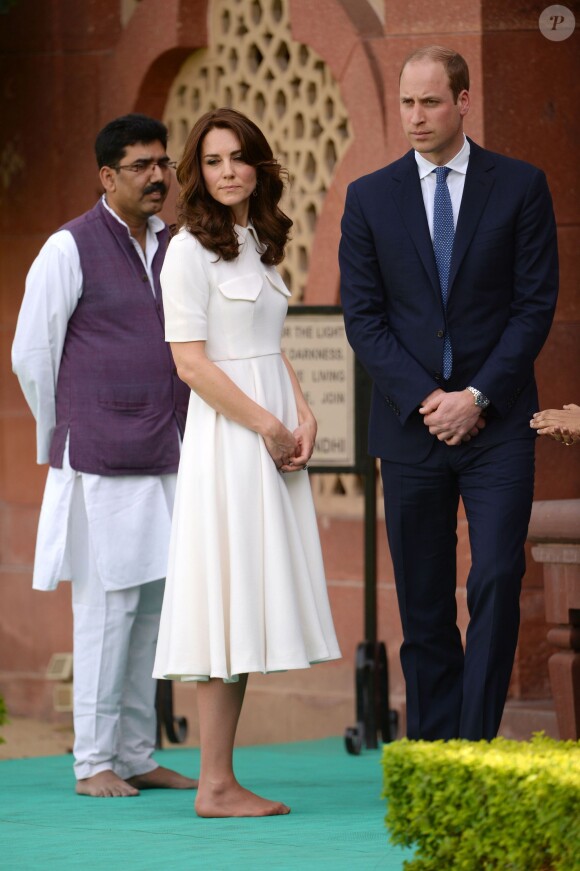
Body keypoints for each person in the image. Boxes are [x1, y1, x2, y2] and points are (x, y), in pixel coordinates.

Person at [339, 46, 559, 741]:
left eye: (430, 102)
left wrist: (478, 396)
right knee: (424, 599)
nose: (416, 116)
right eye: (407, 102)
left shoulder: (520, 185)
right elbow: (363, 318)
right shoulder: (369, 196)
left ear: (463, 101)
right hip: (411, 427)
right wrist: (430, 400)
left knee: (495, 576)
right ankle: (435, 747)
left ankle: (476, 743)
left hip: (499, 425)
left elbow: (534, 306)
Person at [152, 107, 341, 817]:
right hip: (230, 441)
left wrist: (303, 411)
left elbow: (268, 344)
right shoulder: (186, 252)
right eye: (212, 160)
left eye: (237, 157)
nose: (227, 171)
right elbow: (192, 364)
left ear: (258, 165)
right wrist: (266, 424)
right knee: (222, 599)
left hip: (269, 436)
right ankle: (214, 784)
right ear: (196, 173)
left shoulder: (257, 240)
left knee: (244, 598)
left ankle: (220, 780)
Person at [12, 114, 197, 797]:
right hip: (100, 462)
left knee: (153, 611)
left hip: (170, 452)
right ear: (107, 176)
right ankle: (93, 760)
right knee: (106, 611)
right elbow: (32, 354)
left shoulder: (177, 245)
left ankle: (136, 753)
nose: (157, 176)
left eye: (162, 163)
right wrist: (66, 432)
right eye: (141, 166)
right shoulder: (69, 247)